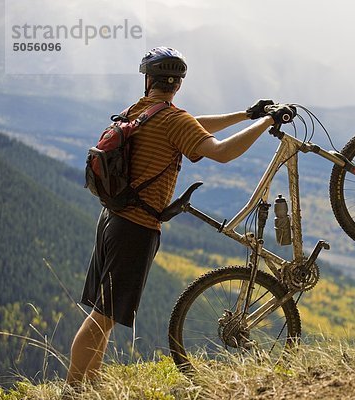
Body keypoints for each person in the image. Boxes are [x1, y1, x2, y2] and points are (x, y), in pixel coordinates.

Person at [66, 46, 293, 387]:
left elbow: (193, 126)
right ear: (178, 85)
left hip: (112, 219)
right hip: (135, 229)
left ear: (148, 81)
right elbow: (222, 151)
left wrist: (245, 115)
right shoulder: (172, 119)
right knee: (103, 317)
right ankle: (71, 390)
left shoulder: (141, 111)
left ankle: (93, 385)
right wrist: (268, 121)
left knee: (105, 313)